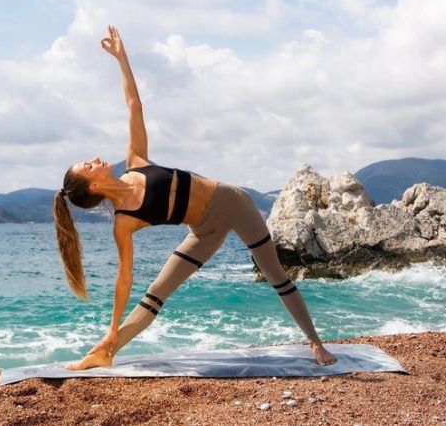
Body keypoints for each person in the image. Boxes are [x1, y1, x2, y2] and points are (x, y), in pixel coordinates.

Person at [52, 25, 337, 370]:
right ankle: (105, 351)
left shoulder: (135, 162)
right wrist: (112, 327)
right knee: (154, 295)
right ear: (91, 186)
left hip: (235, 203)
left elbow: (133, 104)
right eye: (88, 165)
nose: (95, 159)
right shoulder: (124, 223)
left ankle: (316, 343)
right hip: (204, 231)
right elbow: (123, 279)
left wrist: (121, 59)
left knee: (275, 274)